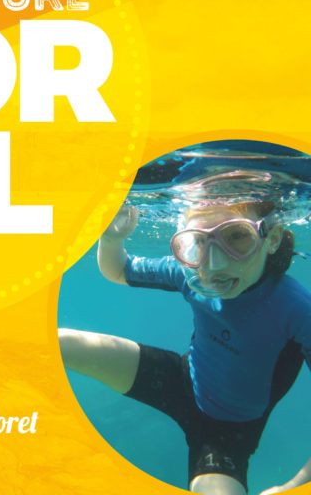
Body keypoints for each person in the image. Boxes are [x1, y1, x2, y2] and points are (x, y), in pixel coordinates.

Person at [59, 196, 311, 495]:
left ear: (272, 238)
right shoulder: (189, 272)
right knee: (58, 343)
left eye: (237, 237)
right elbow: (118, 270)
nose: (215, 264)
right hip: (181, 379)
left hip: (228, 435)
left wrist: (297, 485)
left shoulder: (297, 308)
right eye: (200, 242)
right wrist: (112, 239)